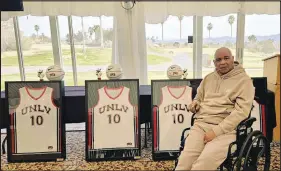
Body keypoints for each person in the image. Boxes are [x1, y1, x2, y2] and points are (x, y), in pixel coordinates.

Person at [175, 47, 255, 170]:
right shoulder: (208, 78)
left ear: (233, 59)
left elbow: (241, 112)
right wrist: (195, 103)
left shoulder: (244, 81)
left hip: (227, 130)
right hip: (201, 125)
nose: (222, 62)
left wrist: (216, 131)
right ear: (214, 63)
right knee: (184, 163)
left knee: (202, 165)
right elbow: (199, 97)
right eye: (218, 60)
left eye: (226, 58)